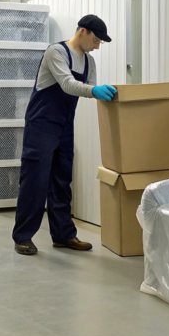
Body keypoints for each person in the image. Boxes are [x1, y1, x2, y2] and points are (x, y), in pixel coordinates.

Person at [12, 15, 117, 255]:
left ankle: (63, 235)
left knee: (61, 180)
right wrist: (95, 91)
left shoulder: (89, 62)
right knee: (35, 181)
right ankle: (23, 237)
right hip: (41, 125)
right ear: (83, 31)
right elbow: (70, 85)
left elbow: (89, 87)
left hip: (65, 125)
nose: (98, 45)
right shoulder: (56, 52)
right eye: (96, 39)